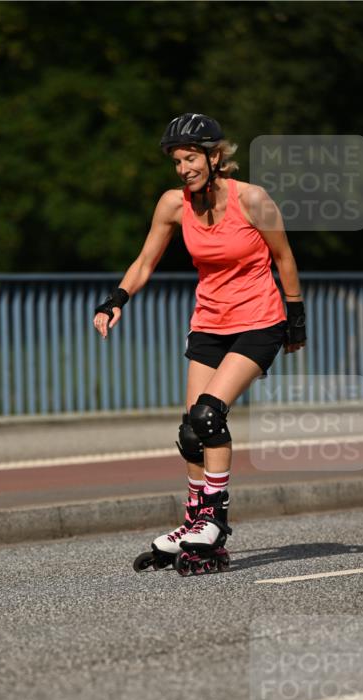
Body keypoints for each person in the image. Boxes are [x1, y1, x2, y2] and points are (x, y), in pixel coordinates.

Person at [93, 112, 306, 575]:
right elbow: (146, 261)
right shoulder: (173, 205)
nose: (183, 168)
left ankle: (214, 521)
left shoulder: (253, 199)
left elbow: (284, 257)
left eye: (190, 158)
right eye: (176, 160)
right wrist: (115, 300)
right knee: (190, 431)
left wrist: (295, 321)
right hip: (209, 322)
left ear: (214, 156)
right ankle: (193, 524)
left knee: (210, 415)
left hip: (259, 321)